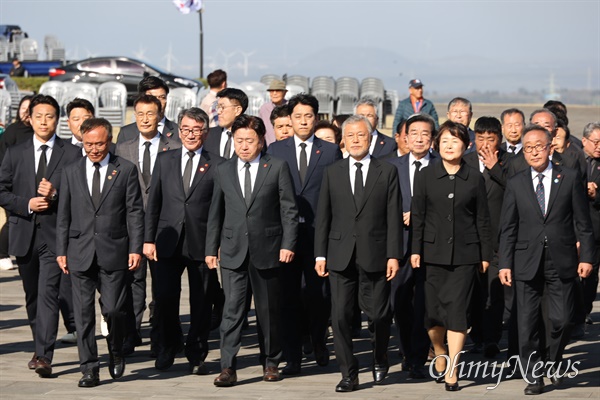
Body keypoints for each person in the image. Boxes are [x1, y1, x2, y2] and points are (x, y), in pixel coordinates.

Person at [498, 125, 594, 395]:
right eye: (528, 148)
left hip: (561, 260)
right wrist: (505, 263)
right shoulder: (516, 182)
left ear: (550, 147)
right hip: (526, 261)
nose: (533, 152)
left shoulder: (569, 177)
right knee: (527, 323)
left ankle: (554, 359)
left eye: (538, 146)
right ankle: (535, 374)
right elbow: (508, 227)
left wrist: (586, 256)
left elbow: (582, 222)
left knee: (562, 320)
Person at [206, 115, 298, 386]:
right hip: (233, 251)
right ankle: (227, 367)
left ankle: (270, 363)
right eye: (239, 140)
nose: (244, 146)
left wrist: (288, 244)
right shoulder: (223, 169)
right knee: (232, 311)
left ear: (261, 142)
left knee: (268, 311)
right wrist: (212, 249)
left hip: (268, 249)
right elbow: (216, 212)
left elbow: (289, 209)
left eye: (250, 140)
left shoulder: (277, 167)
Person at [314, 115, 401, 392]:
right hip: (339, 255)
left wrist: (393, 255)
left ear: (370, 138)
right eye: (350, 135)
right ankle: (349, 374)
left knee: (378, 315)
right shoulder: (333, 171)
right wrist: (320, 255)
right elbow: (323, 216)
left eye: (361, 135)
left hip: (375, 253)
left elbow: (393, 217)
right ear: (343, 139)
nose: (355, 140)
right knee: (339, 316)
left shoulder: (386, 171)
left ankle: (379, 356)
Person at [56, 118, 144, 387]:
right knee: (83, 315)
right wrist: (61, 250)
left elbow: (134, 211)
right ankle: (89, 368)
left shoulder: (125, 169)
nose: (94, 149)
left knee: (115, 310)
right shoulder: (71, 171)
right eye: (89, 144)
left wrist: (135, 248)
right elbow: (64, 215)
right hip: (79, 251)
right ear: (82, 142)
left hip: (114, 250)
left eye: (100, 144)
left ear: (109, 141)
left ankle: (116, 349)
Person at [0, 94, 81, 376]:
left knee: (48, 293)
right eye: (39, 116)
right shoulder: (15, 152)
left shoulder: (70, 152)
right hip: (23, 234)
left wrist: (56, 194)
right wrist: (26, 204)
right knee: (33, 296)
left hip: (55, 236)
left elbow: (79, 193)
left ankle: (44, 356)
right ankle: (39, 347)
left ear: (57, 119)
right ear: (30, 119)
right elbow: (1, 191)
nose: (44, 121)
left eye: (49, 116)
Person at [410, 120, 492, 392]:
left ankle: (453, 368)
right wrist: (416, 250)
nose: (449, 146)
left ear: (465, 146)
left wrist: (484, 254)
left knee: (457, 312)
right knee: (433, 317)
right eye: (444, 141)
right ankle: (439, 350)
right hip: (432, 254)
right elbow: (418, 216)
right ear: (437, 144)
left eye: (455, 141)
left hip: (466, 256)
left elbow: (482, 219)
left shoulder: (475, 177)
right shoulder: (425, 175)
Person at [267, 93, 342, 375]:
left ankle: (319, 341)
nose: (302, 121)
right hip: (284, 235)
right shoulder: (276, 150)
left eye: (308, 116)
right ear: (290, 119)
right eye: (297, 116)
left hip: (317, 233)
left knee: (317, 295)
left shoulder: (329, 151)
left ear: (316, 117)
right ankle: (293, 356)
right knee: (287, 296)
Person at [144, 107, 222, 374]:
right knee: (165, 299)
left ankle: (197, 352)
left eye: (196, 130)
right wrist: (148, 238)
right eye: (186, 129)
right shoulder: (165, 159)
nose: (191, 134)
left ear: (205, 132)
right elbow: (153, 202)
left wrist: (217, 243)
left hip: (202, 242)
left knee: (201, 301)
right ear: (179, 131)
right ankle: (167, 346)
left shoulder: (218, 163)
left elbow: (219, 209)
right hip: (167, 240)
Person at [116, 94, 181, 355]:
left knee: (163, 287)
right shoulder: (123, 147)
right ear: (134, 115)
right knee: (133, 282)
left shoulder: (174, 146)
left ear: (159, 116)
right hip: (131, 225)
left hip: (164, 226)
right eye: (140, 114)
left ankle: (162, 338)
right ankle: (131, 334)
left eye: (150, 114)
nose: (144, 119)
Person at [386, 113, 437, 379]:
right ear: (404, 137)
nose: (418, 138)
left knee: (425, 305)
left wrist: (420, 215)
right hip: (400, 247)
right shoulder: (389, 166)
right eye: (413, 133)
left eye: (425, 133)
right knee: (401, 302)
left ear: (433, 138)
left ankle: (419, 356)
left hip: (431, 247)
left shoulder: (442, 166)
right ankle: (407, 351)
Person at [463, 116, 511, 359]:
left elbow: (515, 191)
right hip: (469, 240)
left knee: (494, 294)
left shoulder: (510, 162)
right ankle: (477, 337)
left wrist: (496, 169)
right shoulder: (465, 161)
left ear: (499, 140)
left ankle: (491, 340)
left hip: (497, 240)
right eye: (480, 138)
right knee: (474, 293)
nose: (484, 144)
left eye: (490, 139)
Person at [0, 95, 34, 272]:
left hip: (33, 185)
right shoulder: (12, 131)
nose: (26, 113)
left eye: (30, 109)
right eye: (23, 108)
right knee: (12, 218)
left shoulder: (40, 132)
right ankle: (3, 254)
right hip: (12, 184)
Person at [117, 76, 179, 144]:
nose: (158, 102)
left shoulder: (178, 132)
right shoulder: (126, 133)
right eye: (152, 98)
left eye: (162, 97)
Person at [203, 88, 248, 160]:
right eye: (218, 107)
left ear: (237, 110)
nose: (218, 112)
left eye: (223, 107)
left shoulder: (251, 137)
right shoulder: (208, 135)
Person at [259, 79, 288, 146]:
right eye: (271, 91)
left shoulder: (291, 107)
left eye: (278, 90)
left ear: (285, 92)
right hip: (269, 148)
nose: (274, 93)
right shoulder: (264, 109)